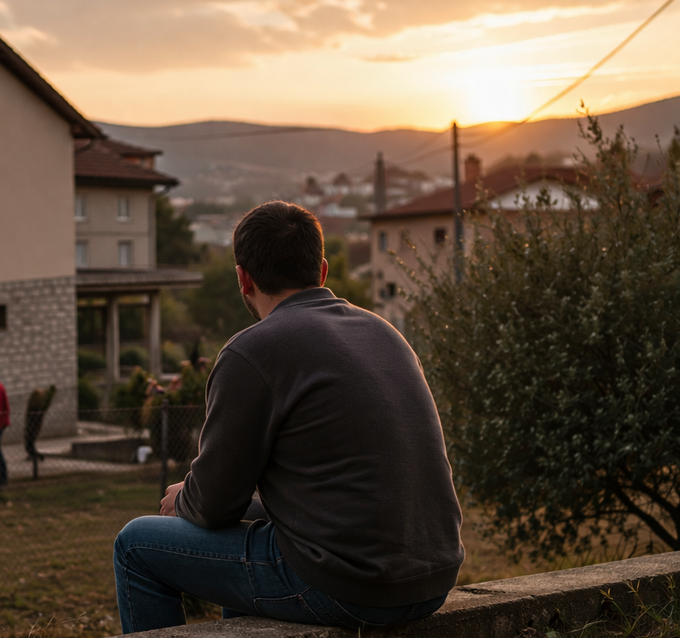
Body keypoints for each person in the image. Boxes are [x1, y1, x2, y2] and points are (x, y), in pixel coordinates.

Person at [112, 201, 464, 633]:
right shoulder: (384, 333)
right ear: (322, 271)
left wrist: (183, 498)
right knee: (253, 538)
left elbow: (214, 507)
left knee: (134, 544)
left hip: (349, 586)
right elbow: (337, 493)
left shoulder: (252, 351)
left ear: (244, 278)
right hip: (431, 578)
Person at [23, 385, 56, 461]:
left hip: (33, 424)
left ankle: (36, 456)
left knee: (29, 441)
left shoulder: (37, 406)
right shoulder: (39, 406)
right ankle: (33, 456)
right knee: (30, 442)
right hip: (34, 424)